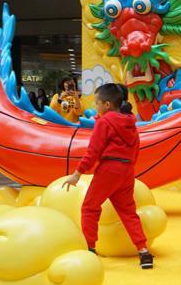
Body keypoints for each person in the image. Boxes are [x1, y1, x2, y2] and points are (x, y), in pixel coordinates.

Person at [62, 83, 153, 270]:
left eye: (97, 103)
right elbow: (135, 149)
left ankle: (90, 250)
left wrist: (77, 174)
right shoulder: (130, 122)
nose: (95, 106)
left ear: (107, 104)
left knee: (89, 208)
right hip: (127, 170)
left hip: (109, 169)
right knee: (128, 212)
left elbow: (93, 151)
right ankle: (144, 251)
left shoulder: (104, 123)